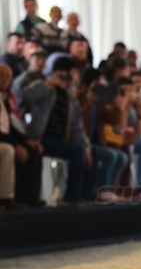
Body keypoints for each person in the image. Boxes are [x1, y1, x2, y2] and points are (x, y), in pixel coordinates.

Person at [23, 57, 92, 203]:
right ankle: (71, 195)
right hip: (41, 138)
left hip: (60, 141)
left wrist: (87, 149)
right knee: (76, 151)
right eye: (71, 73)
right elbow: (25, 97)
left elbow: (77, 129)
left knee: (87, 152)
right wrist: (49, 83)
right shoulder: (44, 87)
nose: (73, 77)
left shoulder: (71, 99)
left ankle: (88, 193)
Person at [0, 64, 44, 209]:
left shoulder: (5, 99)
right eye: (1, 75)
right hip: (2, 141)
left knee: (33, 151)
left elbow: (8, 128)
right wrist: (15, 144)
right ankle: (6, 197)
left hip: (5, 137)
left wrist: (26, 141)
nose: (5, 79)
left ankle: (28, 196)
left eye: (8, 76)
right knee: (9, 150)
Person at [77, 68, 128, 192]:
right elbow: (78, 121)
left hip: (97, 142)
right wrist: (88, 103)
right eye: (101, 81)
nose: (104, 84)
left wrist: (118, 108)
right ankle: (101, 191)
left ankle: (109, 189)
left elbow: (114, 122)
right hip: (83, 142)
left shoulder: (99, 102)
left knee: (122, 157)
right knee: (110, 156)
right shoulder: (79, 98)